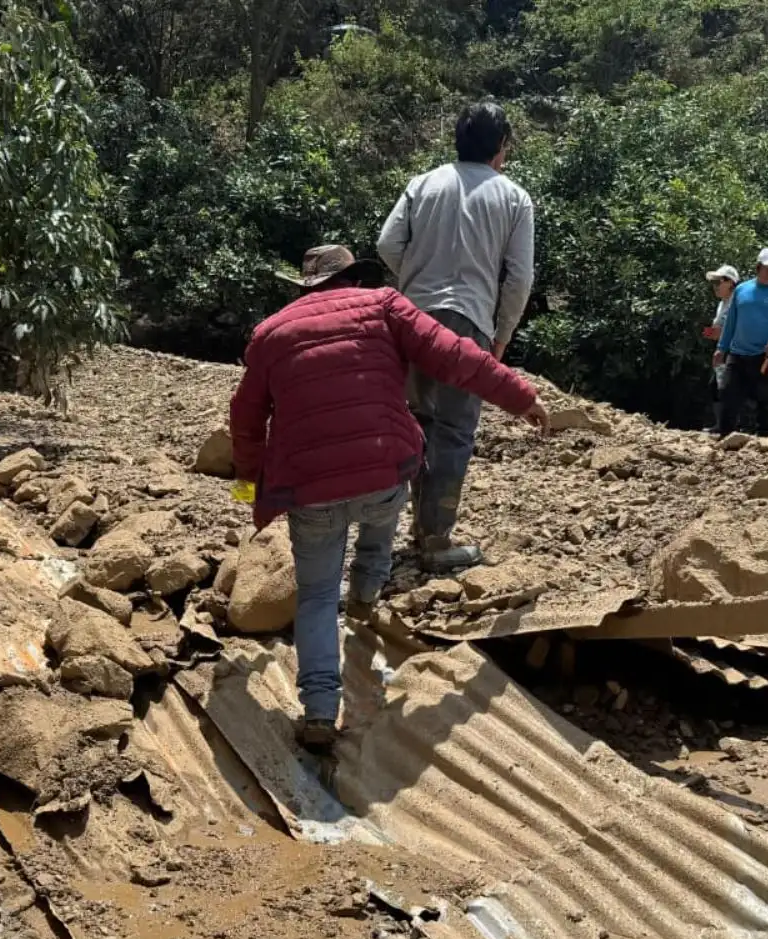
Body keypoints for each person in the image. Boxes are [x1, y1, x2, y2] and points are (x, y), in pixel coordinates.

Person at [229, 245, 547, 751]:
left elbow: (245, 423)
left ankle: (318, 710)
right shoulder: (384, 304)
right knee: (379, 523)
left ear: (306, 287)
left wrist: (249, 485)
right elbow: (457, 357)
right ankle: (365, 600)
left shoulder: (271, 333)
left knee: (314, 597)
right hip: (383, 469)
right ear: (352, 278)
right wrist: (520, 397)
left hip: (309, 487)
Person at [376, 100, 535, 573]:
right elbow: (519, 277)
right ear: (502, 147)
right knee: (455, 431)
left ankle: (397, 532)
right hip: (470, 319)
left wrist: (418, 281)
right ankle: (435, 540)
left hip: (412, 317)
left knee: (415, 422)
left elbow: (387, 243)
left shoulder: (423, 183)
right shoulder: (513, 197)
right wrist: (501, 336)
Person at [714, 247, 768, 437]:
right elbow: (731, 322)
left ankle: (765, 438)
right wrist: (721, 348)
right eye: (767, 269)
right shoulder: (742, 290)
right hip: (738, 352)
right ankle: (726, 437)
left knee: (765, 398)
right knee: (728, 392)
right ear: (758, 267)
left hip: (765, 354)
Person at [699, 264, 740, 431]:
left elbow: (735, 328)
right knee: (716, 387)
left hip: (734, 351)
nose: (715, 286)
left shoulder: (736, 303)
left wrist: (719, 333)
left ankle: (727, 426)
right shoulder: (723, 303)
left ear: (730, 282)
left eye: (719, 281)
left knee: (726, 388)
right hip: (723, 349)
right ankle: (721, 425)